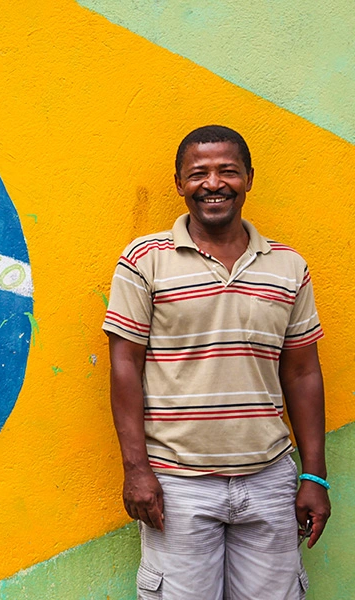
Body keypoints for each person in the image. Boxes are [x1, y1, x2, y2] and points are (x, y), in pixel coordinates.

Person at [102, 125, 330, 599]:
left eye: (228, 171)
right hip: (177, 483)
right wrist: (136, 470)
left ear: (249, 177)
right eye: (198, 173)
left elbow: (303, 372)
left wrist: (313, 475)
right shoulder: (145, 259)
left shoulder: (288, 265)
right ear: (179, 183)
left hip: (269, 478)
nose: (213, 183)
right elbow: (125, 365)